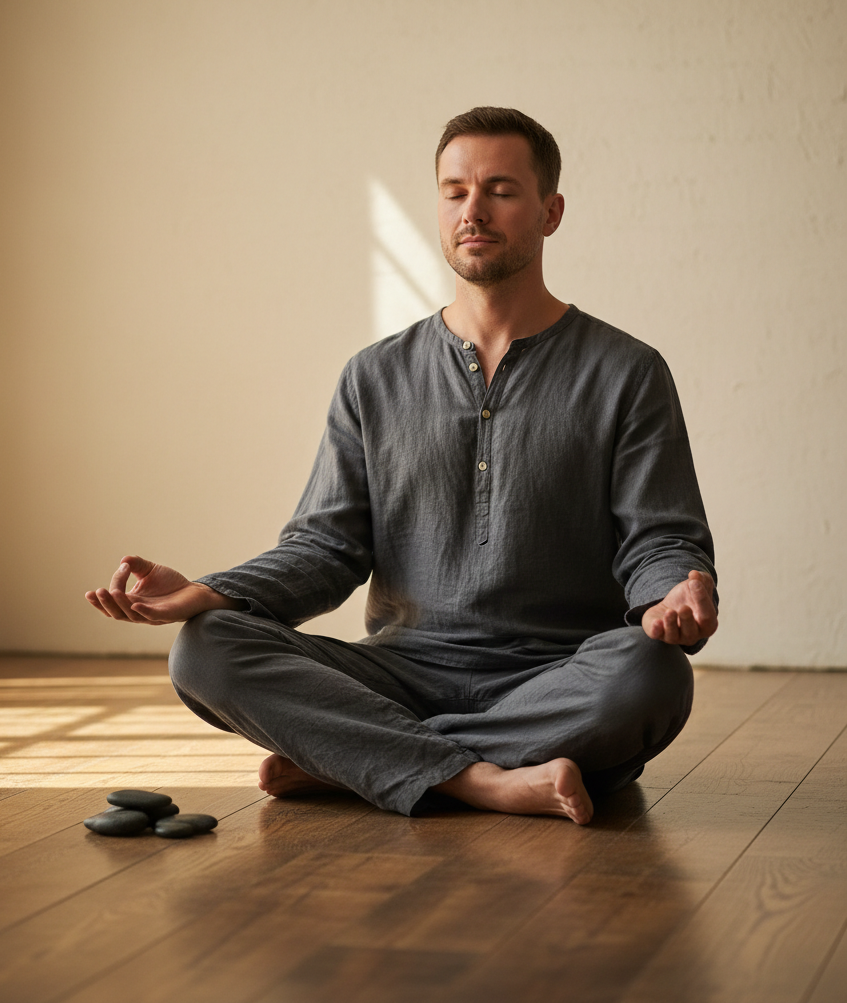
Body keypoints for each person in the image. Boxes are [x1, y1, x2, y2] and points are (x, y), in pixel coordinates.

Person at [86, 107, 718, 825]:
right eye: (454, 191)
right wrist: (206, 592)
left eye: (500, 190)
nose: (472, 210)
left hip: (557, 679)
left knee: (651, 675)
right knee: (204, 651)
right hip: (400, 674)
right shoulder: (373, 377)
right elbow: (324, 550)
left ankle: (362, 763)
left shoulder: (626, 371)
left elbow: (660, 538)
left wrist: (674, 597)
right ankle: (484, 779)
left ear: (551, 211)